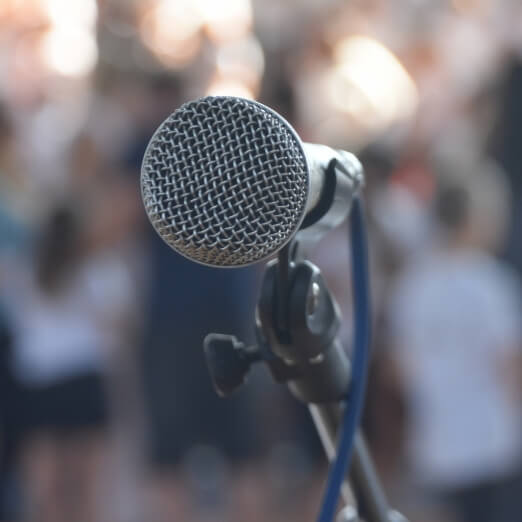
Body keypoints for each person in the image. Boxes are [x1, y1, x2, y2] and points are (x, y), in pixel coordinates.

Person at [388, 158, 522, 522]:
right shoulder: (493, 284)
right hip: (492, 447)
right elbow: (510, 369)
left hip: (433, 449)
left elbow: (399, 372)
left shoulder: (413, 284)